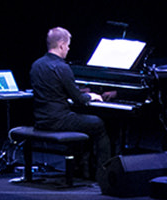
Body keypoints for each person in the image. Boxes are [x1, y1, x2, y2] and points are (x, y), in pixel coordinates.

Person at [30, 27, 113, 181]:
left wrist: (79, 91)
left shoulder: (36, 64)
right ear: (61, 45)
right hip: (58, 120)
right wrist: (91, 95)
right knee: (99, 124)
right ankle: (103, 173)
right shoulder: (62, 67)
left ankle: (82, 167)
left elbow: (56, 90)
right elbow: (79, 100)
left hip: (41, 120)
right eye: (68, 45)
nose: (68, 49)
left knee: (85, 121)